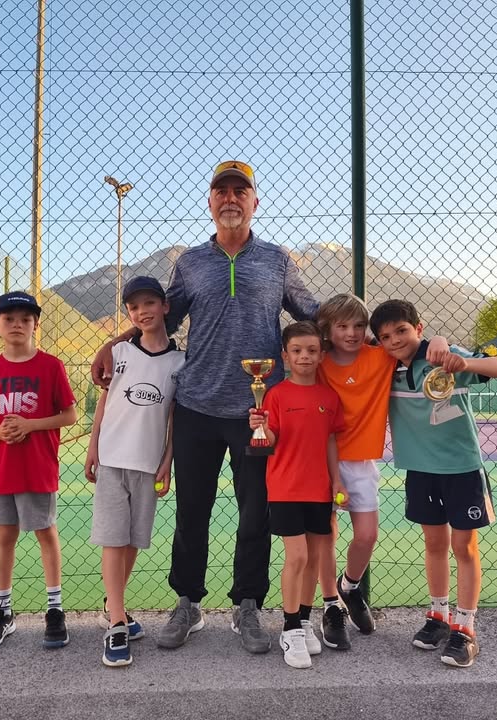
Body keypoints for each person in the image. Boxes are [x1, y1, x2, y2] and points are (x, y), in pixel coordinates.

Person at [91, 161, 318, 654]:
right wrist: (115, 342)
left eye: (240, 191)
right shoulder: (191, 263)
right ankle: (188, 602)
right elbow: (162, 316)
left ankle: (247, 605)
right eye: (222, 191)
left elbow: (312, 312)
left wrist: (363, 332)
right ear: (210, 203)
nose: (231, 198)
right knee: (192, 511)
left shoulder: (278, 260)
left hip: (257, 412)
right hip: (196, 406)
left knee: (255, 513)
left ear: (255, 202)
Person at [369, 299, 497, 668]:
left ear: (418, 328)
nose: (395, 340)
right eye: (385, 336)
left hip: (462, 468)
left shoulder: (446, 358)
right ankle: (438, 616)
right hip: (420, 471)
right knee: (434, 544)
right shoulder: (383, 365)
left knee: (464, 547)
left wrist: (461, 360)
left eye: (402, 331)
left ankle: (465, 628)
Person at [314, 295, 450, 648]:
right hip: (318, 458)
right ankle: (330, 605)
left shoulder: (381, 356)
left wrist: (438, 338)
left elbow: (413, 344)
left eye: (359, 326)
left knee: (367, 536)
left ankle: (350, 586)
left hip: (360, 461)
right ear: (327, 329)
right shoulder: (318, 361)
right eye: (342, 326)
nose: (352, 333)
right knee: (325, 535)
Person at [84, 276, 185, 668]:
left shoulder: (180, 362)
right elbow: (105, 402)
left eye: (149, 303)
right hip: (112, 459)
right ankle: (116, 624)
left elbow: (174, 418)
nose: (142, 312)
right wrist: (93, 448)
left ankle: (114, 605)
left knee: (131, 542)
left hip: (148, 463)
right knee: (113, 539)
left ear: (165, 306)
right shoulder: (119, 352)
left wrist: (167, 461)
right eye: (133, 307)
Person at [0, 291, 78, 651]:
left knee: (46, 532)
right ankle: (3, 610)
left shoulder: (50, 366)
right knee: (5, 535)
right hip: (2, 470)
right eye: (9, 319)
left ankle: (55, 608)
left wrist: (31, 425)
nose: (17, 325)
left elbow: (69, 415)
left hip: (37, 467)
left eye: (25, 319)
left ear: (35, 325)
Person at [248, 321, 345, 669]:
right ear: (285, 357)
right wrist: (260, 427)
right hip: (286, 488)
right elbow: (270, 440)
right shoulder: (274, 395)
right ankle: (289, 628)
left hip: (319, 490)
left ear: (321, 355)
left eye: (312, 350)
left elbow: (331, 441)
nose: (305, 356)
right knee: (298, 556)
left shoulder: (329, 398)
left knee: (316, 557)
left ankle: (304, 620)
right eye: (297, 351)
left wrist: (337, 481)